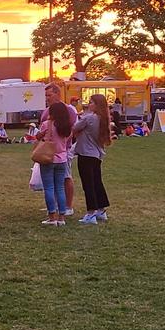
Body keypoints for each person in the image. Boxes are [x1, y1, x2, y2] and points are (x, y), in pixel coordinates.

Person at [73, 94, 112, 224]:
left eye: (91, 102)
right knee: (97, 182)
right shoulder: (104, 119)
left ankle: (91, 213)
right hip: (97, 154)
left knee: (88, 184)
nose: (89, 105)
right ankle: (101, 209)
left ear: (97, 105)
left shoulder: (89, 118)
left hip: (86, 154)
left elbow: (75, 128)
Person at [42, 84, 77, 215]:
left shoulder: (69, 111)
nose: (47, 98)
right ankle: (56, 206)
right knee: (55, 183)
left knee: (65, 179)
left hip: (63, 151)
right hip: (51, 152)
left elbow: (73, 130)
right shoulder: (46, 111)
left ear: (58, 94)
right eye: (46, 96)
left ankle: (67, 206)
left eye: (49, 95)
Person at [37, 101, 73, 226]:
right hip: (62, 159)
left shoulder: (47, 124)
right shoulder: (67, 126)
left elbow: (38, 136)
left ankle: (52, 217)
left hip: (48, 158)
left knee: (49, 188)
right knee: (60, 188)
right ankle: (62, 217)